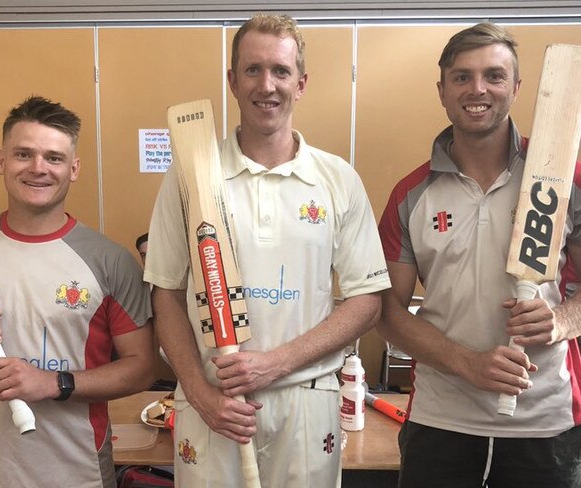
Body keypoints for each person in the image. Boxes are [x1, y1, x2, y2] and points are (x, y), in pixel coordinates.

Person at [144, 13, 390, 488]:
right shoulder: (190, 175)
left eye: (280, 71)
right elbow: (166, 293)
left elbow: (367, 301)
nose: (267, 85)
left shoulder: (338, 179)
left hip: (306, 399)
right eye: (253, 70)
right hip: (215, 406)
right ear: (232, 81)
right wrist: (198, 392)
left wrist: (277, 362)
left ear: (301, 82)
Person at [377, 23, 581, 488]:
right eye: (462, 77)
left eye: (494, 75)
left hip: (545, 423)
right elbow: (387, 314)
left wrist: (561, 322)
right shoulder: (411, 195)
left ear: (516, 87)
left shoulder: (567, 179)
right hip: (440, 422)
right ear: (443, 90)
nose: (478, 89)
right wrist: (468, 363)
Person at [0, 96, 156, 488]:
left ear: (74, 168)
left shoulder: (110, 261)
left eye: (53, 157)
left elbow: (141, 368)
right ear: (1, 160)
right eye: (23, 154)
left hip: (77, 472)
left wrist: (55, 384)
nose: (38, 168)